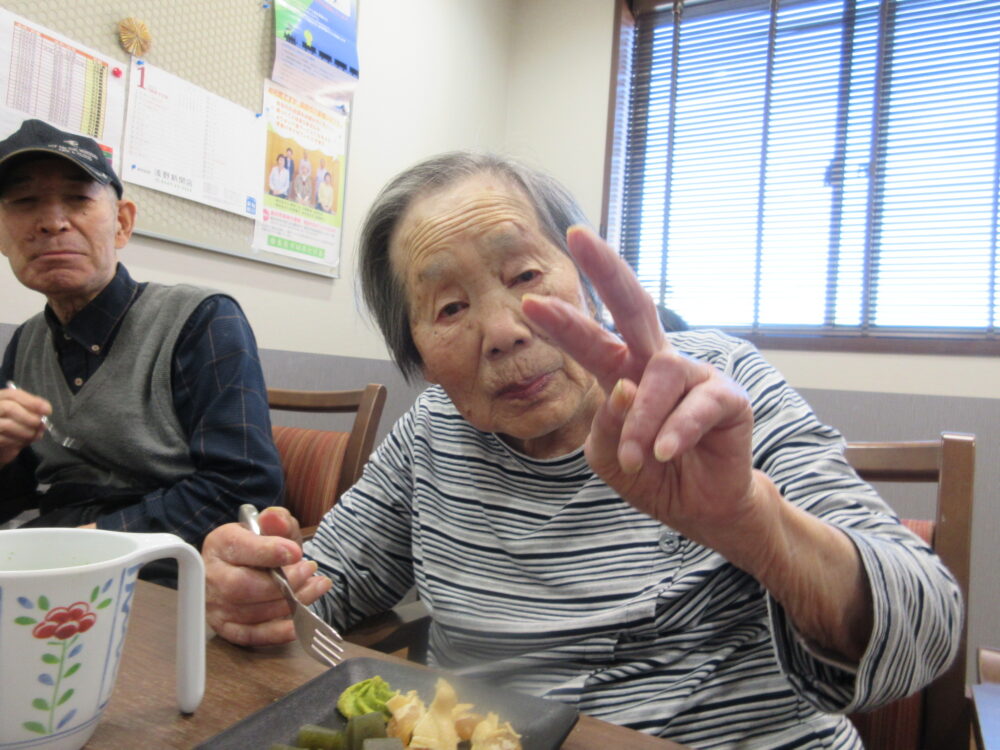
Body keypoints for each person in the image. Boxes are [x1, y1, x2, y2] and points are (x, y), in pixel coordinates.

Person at [202, 152, 960, 748]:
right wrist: (258, 587)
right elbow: (323, 588)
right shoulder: (432, 433)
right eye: (450, 307)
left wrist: (750, 522)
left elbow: (926, 626)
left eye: (526, 273)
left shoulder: (715, 385)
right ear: (421, 358)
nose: (502, 328)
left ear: (589, 287)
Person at [0, 119, 283, 586]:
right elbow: (17, 498)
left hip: (167, 570)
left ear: (122, 223)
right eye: (25, 202)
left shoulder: (202, 319)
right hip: (47, 560)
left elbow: (245, 485)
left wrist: (88, 549)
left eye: (77, 198)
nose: (51, 221)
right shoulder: (25, 343)